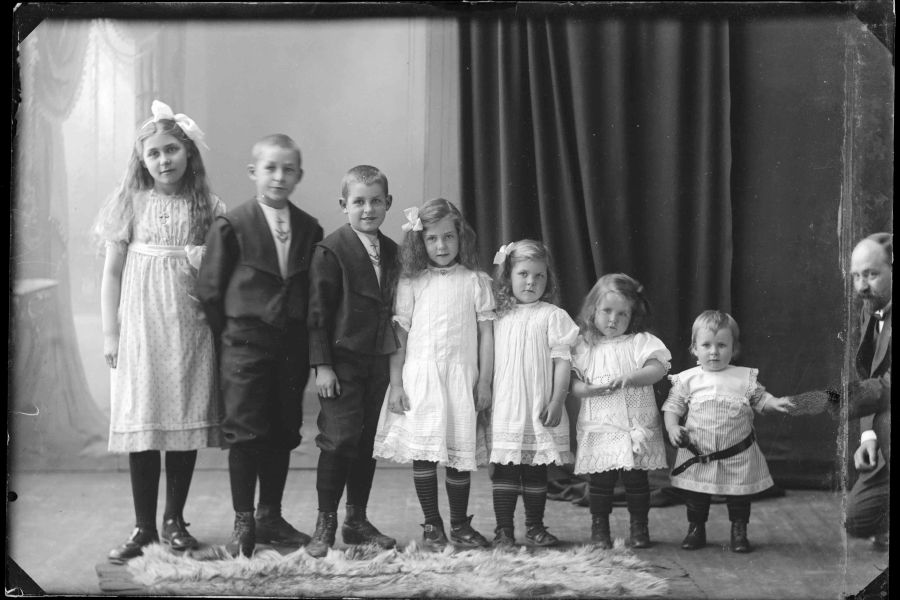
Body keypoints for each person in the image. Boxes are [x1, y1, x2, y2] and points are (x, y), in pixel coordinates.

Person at [94, 100, 224, 563]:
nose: (164, 160)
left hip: (190, 327)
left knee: (182, 422)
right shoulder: (130, 202)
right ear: (142, 160)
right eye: (154, 153)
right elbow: (112, 274)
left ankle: (174, 521)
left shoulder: (207, 206)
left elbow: (218, 274)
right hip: (142, 327)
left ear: (187, 153)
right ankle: (143, 526)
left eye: (172, 150)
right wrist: (111, 334)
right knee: (145, 422)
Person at [197, 134, 323, 558]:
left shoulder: (309, 228)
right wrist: (233, 338)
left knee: (284, 429)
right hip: (244, 346)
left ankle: (270, 515)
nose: (279, 176)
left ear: (299, 175)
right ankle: (244, 521)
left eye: (288, 169)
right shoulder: (232, 225)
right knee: (247, 433)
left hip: (291, 346)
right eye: (270, 168)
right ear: (254, 172)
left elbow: (312, 292)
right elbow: (211, 293)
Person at [372, 198, 495, 550]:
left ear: (461, 238)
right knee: (424, 453)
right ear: (420, 242)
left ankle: (459, 524)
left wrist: (484, 381)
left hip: (461, 379)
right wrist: (396, 383)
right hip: (421, 378)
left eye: (448, 237)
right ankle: (432, 524)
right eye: (432, 239)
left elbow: (487, 334)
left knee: (458, 456)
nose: (441, 246)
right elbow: (401, 335)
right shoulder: (412, 282)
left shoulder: (476, 281)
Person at [304, 165, 399, 558]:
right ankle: (325, 521)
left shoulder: (393, 251)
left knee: (365, 441)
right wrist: (322, 366)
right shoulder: (332, 250)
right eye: (359, 201)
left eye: (376, 201)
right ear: (344, 205)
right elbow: (317, 314)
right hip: (341, 363)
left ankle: (356, 521)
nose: (368, 209)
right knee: (339, 439)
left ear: (388, 204)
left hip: (377, 360)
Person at [662, 310, 796, 553]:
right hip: (698, 453)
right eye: (706, 345)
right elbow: (673, 406)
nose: (714, 351)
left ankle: (739, 530)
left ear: (734, 349)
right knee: (696, 497)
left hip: (737, 454)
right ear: (694, 348)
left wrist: (774, 402)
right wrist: (672, 426)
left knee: (739, 498)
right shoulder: (688, 379)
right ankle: (696, 528)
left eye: (722, 345)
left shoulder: (742, 377)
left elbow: (760, 397)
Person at [488, 240, 580, 548]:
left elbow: (563, 362)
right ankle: (503, 530)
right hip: (507, 405)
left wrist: (557, 400)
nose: (531, 282)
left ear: (548, 279)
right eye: (524, 274)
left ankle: (535, 526)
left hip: (540, 403)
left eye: (539, 276)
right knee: (505, 469)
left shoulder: (553, 315)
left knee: (536, 469)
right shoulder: (497, 315)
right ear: (508, 276)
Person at [569, 274, 671, 550]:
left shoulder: (639, 341)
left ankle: (639, 526)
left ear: (633, 315)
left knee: (637, 482)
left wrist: (633, 376)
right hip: (601, 425)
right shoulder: (585, 345)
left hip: (634, 425)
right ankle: (599, 526)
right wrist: (585, 391)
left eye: (622, 313)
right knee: (600, 482)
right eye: (607, 311)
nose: (613, 320)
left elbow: (658, 369)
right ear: (593, 310)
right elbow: (573, 383)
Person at [844, 232, 892, 550]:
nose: (862, 286)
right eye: (857, 276)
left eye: (871, 274)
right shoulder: (871, 308)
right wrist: (868, 437)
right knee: (858, 520)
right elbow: (866, 373)